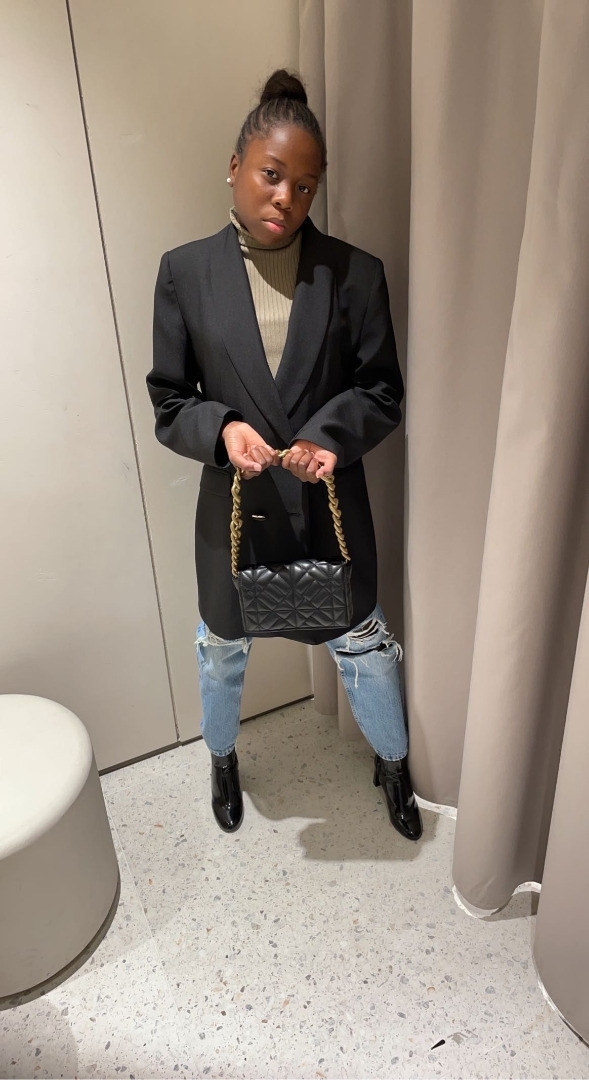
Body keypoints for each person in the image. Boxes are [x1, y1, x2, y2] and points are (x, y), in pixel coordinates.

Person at [147, 69, 422, 842]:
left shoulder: (355, 273)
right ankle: (222, 756)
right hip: (235, 510)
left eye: (304, 186)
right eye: (271, 175)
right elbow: (169, 399)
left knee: (363, 646)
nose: (285, 198)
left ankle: (392, 761)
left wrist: (327, 437)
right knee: (221, 652)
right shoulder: (185, 272)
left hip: (325, 507)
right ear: (234, 166)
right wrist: (223, 429)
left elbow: (381, 390)